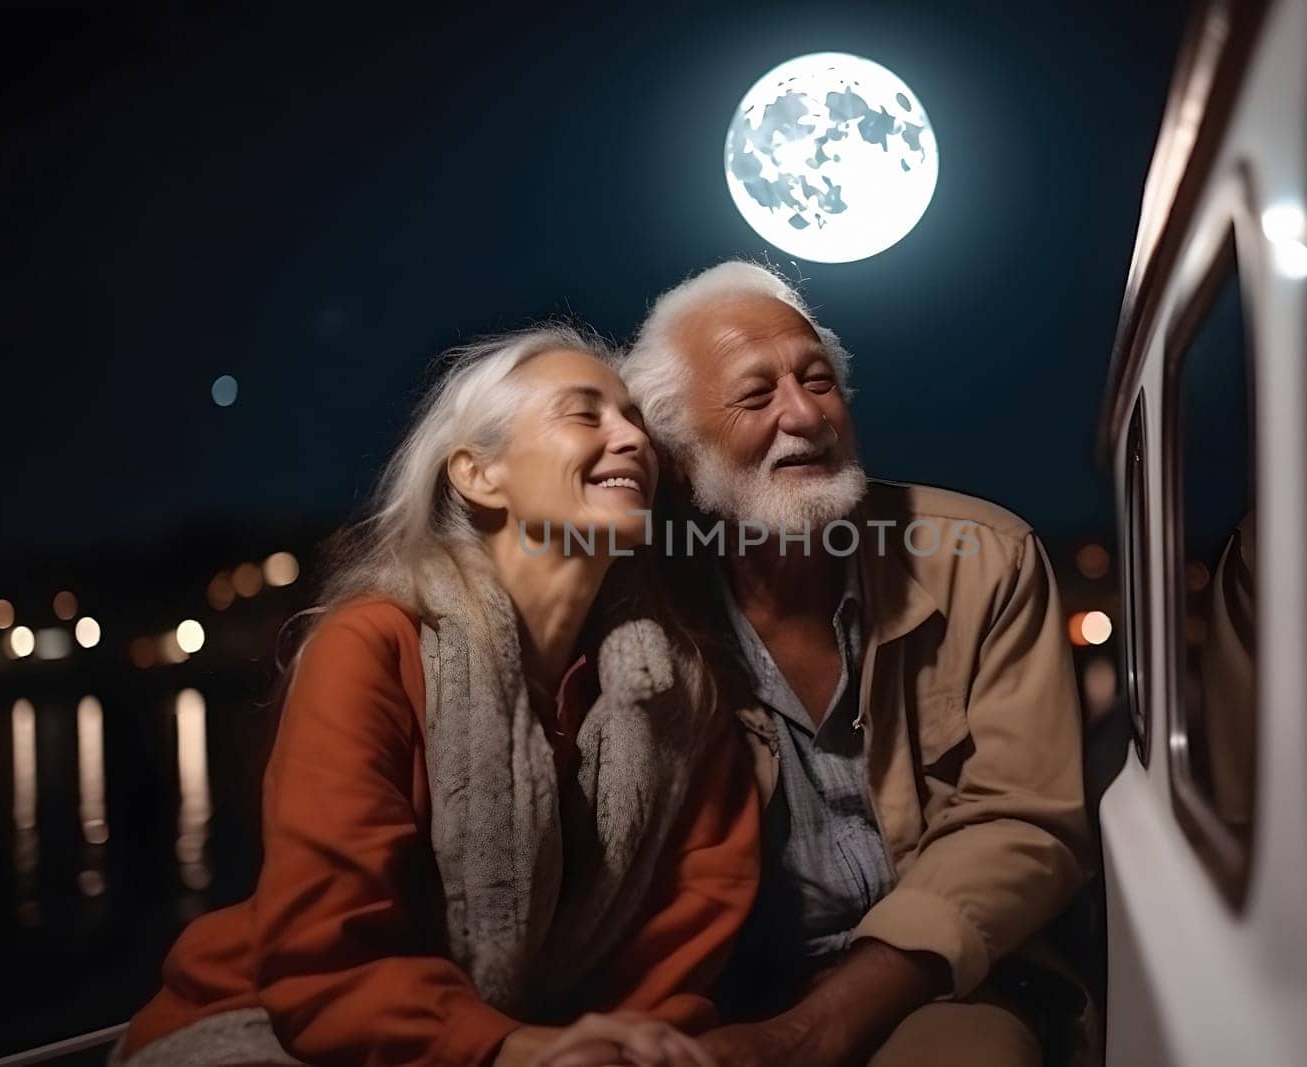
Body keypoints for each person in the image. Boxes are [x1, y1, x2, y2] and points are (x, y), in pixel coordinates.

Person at [113, 325, 760, 1067]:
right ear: (479, 474)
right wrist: (513, 1048)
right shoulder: (373, 646)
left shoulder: (681, 693)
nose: (633, 438)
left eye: (636, 419)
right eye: (586, 414)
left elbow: (693, 920)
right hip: (278, 1027)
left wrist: (630, 1044)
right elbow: (328, 947)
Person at [620, 262, 1094, 1066]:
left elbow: (1030, 819)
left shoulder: (985, 558)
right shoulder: (643, 599)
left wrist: (817, 1025)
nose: (806, 414)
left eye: (819, 380)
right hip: (719, 992)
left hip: (947, 980)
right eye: (755, 394)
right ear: (676, 443)